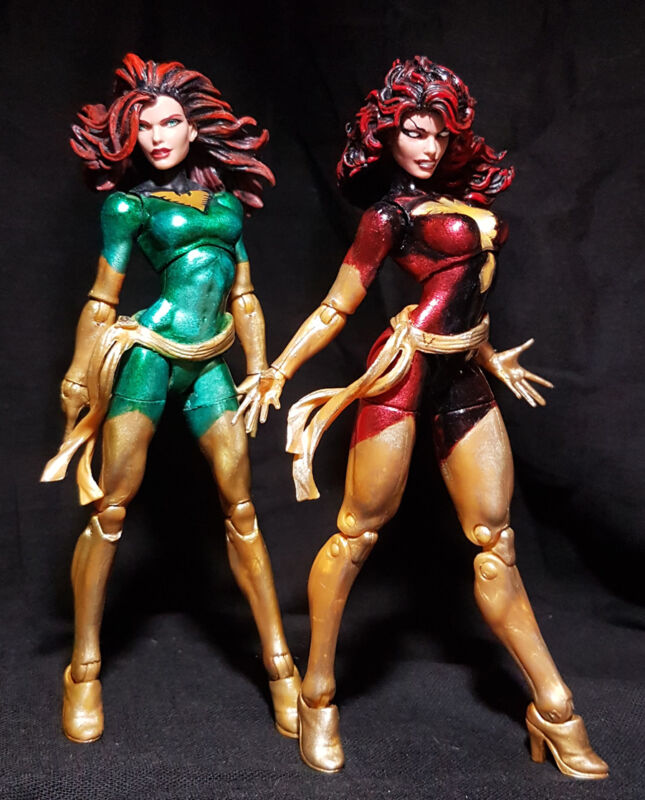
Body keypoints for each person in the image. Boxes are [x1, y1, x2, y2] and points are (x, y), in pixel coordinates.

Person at [239, 56, 608, 778]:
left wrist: (488, 353)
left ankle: (553, 705)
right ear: (387, 137)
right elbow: (337, 305)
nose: (428, 146)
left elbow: (462, 289)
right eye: (413, 132)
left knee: (494, 540)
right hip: (402, 375)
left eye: (438, 134)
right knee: (356, 532)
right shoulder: (389, 216)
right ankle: (317, 693)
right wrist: (278, 369)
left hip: (461, 372)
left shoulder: (456, 200)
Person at [42, 53, 300, 744]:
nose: (157, 136)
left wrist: (262, 367)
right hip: (150, 356)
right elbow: (103, 298)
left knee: (241, 507)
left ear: (193, 129)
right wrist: (78, 372)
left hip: (211, 362)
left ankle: (280, 664)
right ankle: (83, 668)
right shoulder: (129, 206)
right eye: (145, 125)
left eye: (169, 122)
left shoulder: (226, 206)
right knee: (112, 507)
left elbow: (244, 296)